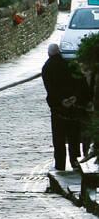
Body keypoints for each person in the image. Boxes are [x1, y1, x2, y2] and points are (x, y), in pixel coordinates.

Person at [41, 43, 85, 171]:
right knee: (73, 135)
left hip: (57, 107)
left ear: (49, 54)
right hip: (73, 105)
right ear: (59, 52)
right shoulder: (70, 65)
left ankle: (60, 163)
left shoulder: (47, 67)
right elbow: (79, 82)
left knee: (58, 137)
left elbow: (50, 88)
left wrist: (61, 101)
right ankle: (75, 161)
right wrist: (73, 98)